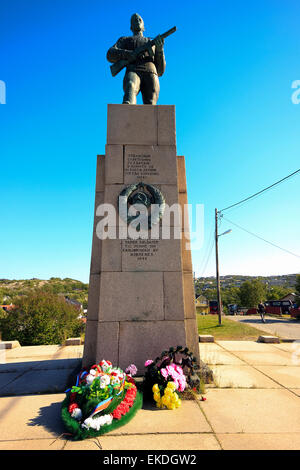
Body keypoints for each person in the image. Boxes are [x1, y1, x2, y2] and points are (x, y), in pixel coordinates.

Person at [107, 13, 166, 105]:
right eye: (134, 20)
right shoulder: (125, 40)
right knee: (130, 87)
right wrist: (128, 54)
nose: (137, 21)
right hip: (133, 70)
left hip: (151, 72)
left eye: (140, 20)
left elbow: (160, 70)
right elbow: (110, 54)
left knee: (151, 103)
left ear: (144, 26)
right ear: (131, 27)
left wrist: (159, 50)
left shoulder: (151, 42)